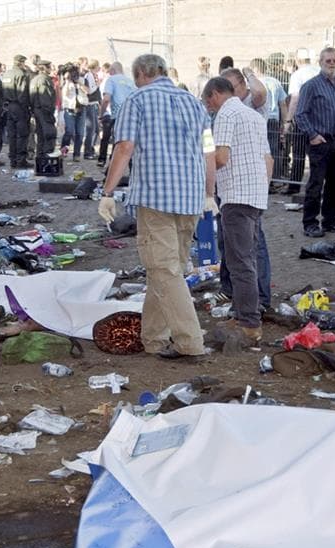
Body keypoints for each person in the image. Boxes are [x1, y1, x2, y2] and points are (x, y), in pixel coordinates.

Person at [98, 54, 215, 360]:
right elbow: (207, 151)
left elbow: (124, 148)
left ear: (139, 74)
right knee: (165, 271)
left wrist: (108, 191)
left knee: (164, 271)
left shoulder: (136, 101)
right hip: (190, 198)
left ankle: (190, 342)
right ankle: (153, 338)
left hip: (156, 198)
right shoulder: (194, 103)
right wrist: (208, 193)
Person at [203, 76, 273, 343]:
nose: (209, 107)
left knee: (240, 261)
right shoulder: (254, 116)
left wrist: (205, 174)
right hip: (255, 193)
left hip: (236, 194)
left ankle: (249, 323)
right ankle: (245, 312)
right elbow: (267, 158)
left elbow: (220, 157)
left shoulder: (226, 114)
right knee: (246, 258)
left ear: (216, 94)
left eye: (208, 101)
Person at [295, 47, 335, 237]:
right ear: (320, 62)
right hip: (320, 142)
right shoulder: (311, 85)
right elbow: (300, 114)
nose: (332, 64)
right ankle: (310, 223)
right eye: (328, 61)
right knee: (316, 184)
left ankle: (330, 221)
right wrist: (312, 135)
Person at [284, 51, 320, 195]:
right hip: (319, 119)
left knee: (298, 154)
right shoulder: (319, 72)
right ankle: (315, 187)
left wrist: (288, 120)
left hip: (302, 119)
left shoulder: (297, 75)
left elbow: (295, 98)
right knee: (316, 156)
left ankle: (294, 186)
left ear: (297, 60)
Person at [97, 61, 135, 167]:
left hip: (117, 115)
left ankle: (111, 174)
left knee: (117, 144)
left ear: (113, 71)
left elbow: (106, 99)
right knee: (128, 144)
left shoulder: (111, 80)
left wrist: (101, 114)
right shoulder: (131, 82)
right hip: (131, 116)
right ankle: (132, 172)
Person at [4, 54, 31, 168]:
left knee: (12, 135)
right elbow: (22, 92)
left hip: (9, 106)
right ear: (21, 63)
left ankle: (13, 159)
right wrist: (27, 108)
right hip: (19, 106)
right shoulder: (21, 74)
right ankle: (21, 160)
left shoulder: (7, 73)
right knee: (22, 134)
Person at [30, 59, 58, 158]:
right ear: (44, 68)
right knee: (49, 134)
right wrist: (49, 111)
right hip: (44, 110)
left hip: (37, 109)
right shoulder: (43, 79)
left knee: (41, 135)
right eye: (49, 67)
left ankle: (40, 157)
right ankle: (47, 157)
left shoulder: (35, 79)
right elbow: (44, 96)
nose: (51, 69)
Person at [60, 66, 87, 160]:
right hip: (69, 109)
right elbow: (65, 94)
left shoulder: (82, 80)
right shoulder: (66, 82)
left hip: (81, 109)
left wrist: (79, 84)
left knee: (80, 133)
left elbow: (88, 91)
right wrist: (68, 81)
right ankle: (64, 150)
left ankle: (77, 154)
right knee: (69, 131)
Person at [82, 59, 101, 159]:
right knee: (91, 129)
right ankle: (87, 151)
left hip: (94, 103)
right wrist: (98, 85)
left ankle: (91, 149)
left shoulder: (93, 76)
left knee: (96, 129)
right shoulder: (89, 76)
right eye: (98, 66)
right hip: (90, 104)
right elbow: (90, 90)